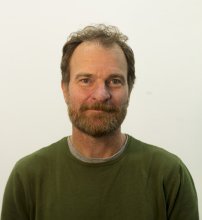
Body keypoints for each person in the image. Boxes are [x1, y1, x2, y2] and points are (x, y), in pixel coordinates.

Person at [1, 24, 199, 220]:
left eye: (114, 81)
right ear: (65, 89)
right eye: (86, 80)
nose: (101, 94)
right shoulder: (27, 177)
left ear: (129, 89)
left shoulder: (170, 175)